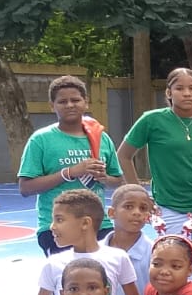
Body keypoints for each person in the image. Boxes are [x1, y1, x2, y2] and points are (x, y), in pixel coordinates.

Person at [119, 67, 192, 267]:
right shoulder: (151, 120)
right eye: (179, 88)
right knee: (173, 260)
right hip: (169, 203)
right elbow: (123, 156)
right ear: (168, 93)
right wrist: (138, 193)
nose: (186, 93)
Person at [18, 74, 123, 255]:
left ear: (86, 102)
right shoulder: (41, 140)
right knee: (71, 280)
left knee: (105, 279)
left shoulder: (101, 138)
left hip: (99, 223)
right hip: (59, 226)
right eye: (62, 101)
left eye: (75, 100)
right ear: (52, 106)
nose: (70, 105)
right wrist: (69, 172)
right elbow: (25, 188)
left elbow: (118, 180)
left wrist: (104, 177)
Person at [30, 188, 144, 295]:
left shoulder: (118, 258)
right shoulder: (53, 263)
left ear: (85, 223)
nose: (52, 226)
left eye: (59, 219)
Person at [107, 184, 156, 295]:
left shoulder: (154, 254)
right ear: (112, 213)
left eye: (143, 208)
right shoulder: (96, 254)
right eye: (128, 206)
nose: (137, 213)